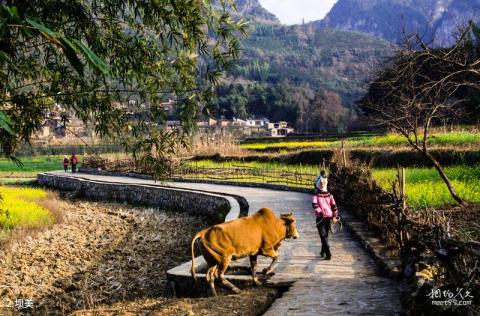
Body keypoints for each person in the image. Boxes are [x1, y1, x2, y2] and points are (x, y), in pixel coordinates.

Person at [312, 178, 339, 260]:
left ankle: (328, 254)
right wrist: (334, 216)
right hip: (328, 218)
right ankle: (322, 251)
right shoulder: (330, 195)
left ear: (317, 186)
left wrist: (320, 212)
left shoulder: (316, 196)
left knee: (323, 236)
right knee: (325, 236)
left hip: (320, 218)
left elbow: (315, 205)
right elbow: (334, 207)